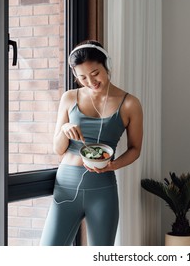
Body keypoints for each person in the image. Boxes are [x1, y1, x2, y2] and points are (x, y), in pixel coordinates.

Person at [40, 40, 143, 246]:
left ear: (107, 65)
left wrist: (114, 165)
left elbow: (135, 149)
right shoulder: (69, 98)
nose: (90, 81)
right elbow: (58, 149)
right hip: (66, 187)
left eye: (95, 73)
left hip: (102, 190)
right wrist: (64, 130)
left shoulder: (130, 103)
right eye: (82, 77)